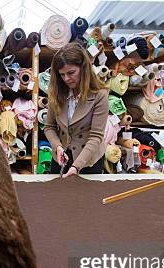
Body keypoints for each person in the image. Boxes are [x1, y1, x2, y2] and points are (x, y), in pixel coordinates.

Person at [44, 42, 109, 177]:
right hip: (61, 158)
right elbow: (49, 127)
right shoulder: (56, 93)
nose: (66, 79)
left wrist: (76, 166)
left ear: (83, 68)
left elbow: (96, 136)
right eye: (62, 75)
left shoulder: (100, 95)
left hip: (88, 160)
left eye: (71, 73)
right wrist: (58, 147)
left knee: (86, 197)